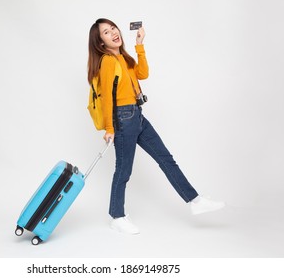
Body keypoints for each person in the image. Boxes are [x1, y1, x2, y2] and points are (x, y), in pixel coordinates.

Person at [87, 18, 225, 235]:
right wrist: (109, 129)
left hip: (137, 115)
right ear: (100, 42)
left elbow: (143, 74)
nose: (113, 32)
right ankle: (117, 216)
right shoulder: (106, 61)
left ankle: (194, 200)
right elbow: (106, 99)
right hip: (122, 119)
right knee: (124, 170)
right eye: (106, 32)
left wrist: (139, 45)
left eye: (113, 28)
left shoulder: (123, 57)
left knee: (165, 159)